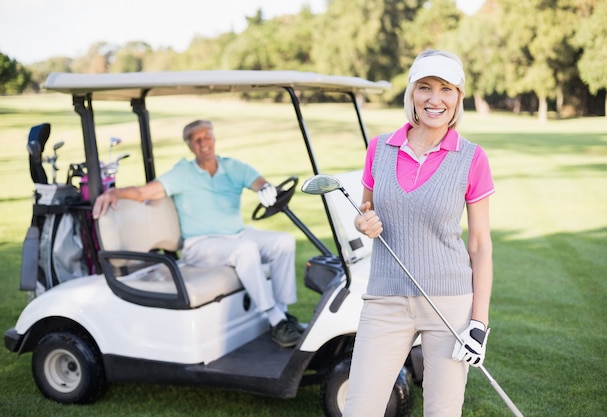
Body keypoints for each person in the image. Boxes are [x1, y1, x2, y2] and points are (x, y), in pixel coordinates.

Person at [343, 50, 495, 417]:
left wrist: (479, 323)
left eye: (446, 89)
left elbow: (479, 246)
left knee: (443, 411)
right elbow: (366, 212)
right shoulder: (380, 148)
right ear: (412, 93)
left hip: (450, 303)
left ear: (458, 97)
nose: (434, 98)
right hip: (385, 298)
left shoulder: (472, 158)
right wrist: (364, 223)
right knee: (359, 409)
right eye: (425, 87)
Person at [92, 119, 303, 348]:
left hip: (237, 235)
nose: (204, 144)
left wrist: (264, 188)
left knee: (284, 242)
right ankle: (274, 319)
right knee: (246, 251)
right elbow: (145, 192)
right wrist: (115, 193)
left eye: (208, 137)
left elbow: (259, 182)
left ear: (214, 138)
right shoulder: (183, 173)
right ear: (190, 146)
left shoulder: (233, 167)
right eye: (197, 140)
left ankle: (282, 314)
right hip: (201, 244)